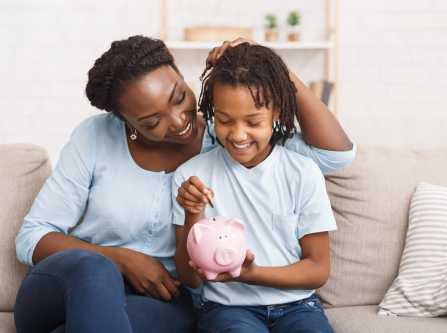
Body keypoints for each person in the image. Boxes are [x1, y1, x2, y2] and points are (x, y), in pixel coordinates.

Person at [14, 35, 354, 333]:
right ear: (124, 121)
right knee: (95, 270)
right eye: (151, 121)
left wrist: (273, 67)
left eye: (179, 97)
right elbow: (33, 236)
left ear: (179, 71)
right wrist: (120, 259)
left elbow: (335, 156)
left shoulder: (226, 137)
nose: (179, 123)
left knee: (102, 321)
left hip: (161, 299)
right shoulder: (95, 136)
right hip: (69, 284)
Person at [173, 43, 347, 333]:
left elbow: (318, 269)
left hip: (298, 306)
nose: (238, 135)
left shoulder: (302, 172)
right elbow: (190, 279)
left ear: (277, 113)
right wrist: (193, 213)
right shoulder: (191, 175)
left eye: (253, 122)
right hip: (227, 308)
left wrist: (252, 274)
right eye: (225, 121)